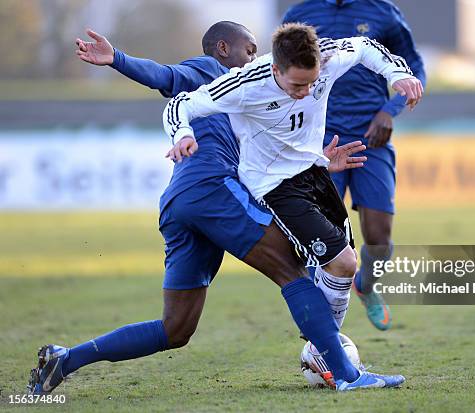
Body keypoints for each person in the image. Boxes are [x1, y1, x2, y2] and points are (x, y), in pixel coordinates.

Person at [28, 22, 378, 395]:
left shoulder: (254, 98)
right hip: (211, 189)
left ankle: (65, 359)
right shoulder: (212, 70)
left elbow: (265, 161)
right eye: (250, 49)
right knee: (292, 271)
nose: (255, 58)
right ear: (223, 48)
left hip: (182, 202)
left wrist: (314, 162)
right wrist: (117, 59)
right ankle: (346, 375)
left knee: (175, 329)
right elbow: (165, 75)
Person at [163, 22, 422, 390]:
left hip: (314, 171)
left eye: (312, 83)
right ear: (275, 69)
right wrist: (183, 134)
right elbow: (180, 104)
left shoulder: (327, 58)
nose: (305, 92)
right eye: (296, 85)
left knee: (340, 270)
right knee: (343, 261)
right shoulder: (246, 83)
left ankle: (322, 351)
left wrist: (398, 75)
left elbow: (365, 46)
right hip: (273, 187)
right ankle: (337, 365)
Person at [282, 0, 427, 331]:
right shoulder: (299, 14)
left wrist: (391, 109)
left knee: (379, 237)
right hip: (320, 141)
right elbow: (280, 71)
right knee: (321, 234)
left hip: (370, 136)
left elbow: (414, 65)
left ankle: (367, 285)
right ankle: (321, 321)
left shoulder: (383, 12)